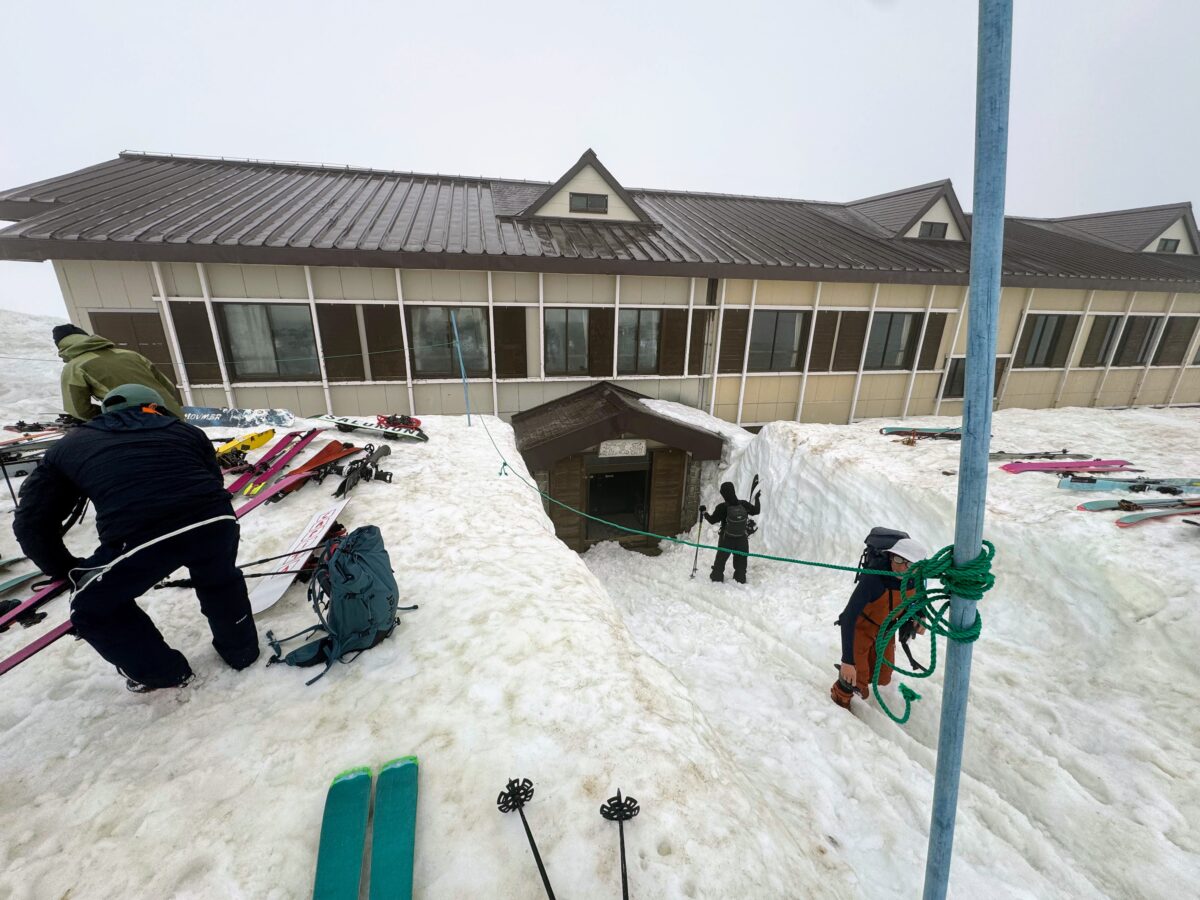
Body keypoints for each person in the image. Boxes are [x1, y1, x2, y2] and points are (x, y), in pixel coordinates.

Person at [13, 384, 258, 692]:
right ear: (154, 407)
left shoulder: (68, 446)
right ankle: (242, 653)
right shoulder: (186, 431)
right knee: (220, 582)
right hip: (215, 521)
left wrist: (63, 568)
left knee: (92, 607)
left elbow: (32, 521)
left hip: (142, 538)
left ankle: (165, 674)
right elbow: (212, 480)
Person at [831, 537, 927, 710]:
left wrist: (921, 615)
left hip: (886, 630)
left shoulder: (916, 579)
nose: (903, 567)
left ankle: (863, 685)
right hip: (862, 627)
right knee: (855, 678)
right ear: (890, 557)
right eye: (898, 559)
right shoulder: (874, 581)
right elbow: (848, 617)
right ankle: (841, 697)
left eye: (910, 564)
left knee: (883, 677)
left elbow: (920, 597)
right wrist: (847, 661)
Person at [52, 324, 184, 421]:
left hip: (134, 422)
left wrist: (107, 414)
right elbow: (168, 386)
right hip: (172, 415)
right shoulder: (131, 355)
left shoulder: (75, 367)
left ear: (61, 347)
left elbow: (79, 409)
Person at [700, 479, 761, 584]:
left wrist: (704, 512)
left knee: (720, 561)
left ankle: (717, 577)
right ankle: (740, 579)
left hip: (726, 539)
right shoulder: (744, 505)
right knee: (741, 562)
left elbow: (712, 520)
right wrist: (757, 498)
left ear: (723, 494)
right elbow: (756, 511)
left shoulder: (722, 508)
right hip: (742, 539)